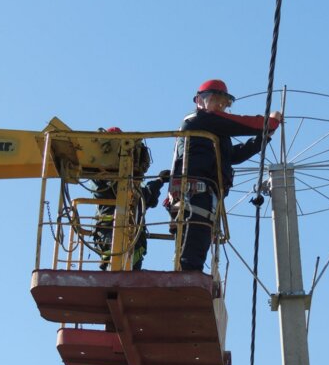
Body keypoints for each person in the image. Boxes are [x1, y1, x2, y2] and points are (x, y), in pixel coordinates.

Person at [169, 79, 282, 271]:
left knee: (199, 235)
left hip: (204, 193)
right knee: (196, 234)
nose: (220, 106)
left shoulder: (214, 132)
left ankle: (187, 273)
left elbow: (233, 156)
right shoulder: (198, 120)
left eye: (224, 103)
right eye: (215, 100)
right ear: (200, 100)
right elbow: (243, 123)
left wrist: (263, 138)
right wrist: (270, 123)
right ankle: (188, 276)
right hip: (196, 190)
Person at [91, 127, 170, 270]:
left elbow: (144, 196)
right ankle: (111, 264)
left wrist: (159, 181)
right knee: (117, 264)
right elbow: (129, 194)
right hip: (110, 236)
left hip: (133, 242)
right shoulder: (101, 178)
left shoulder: (131, 186)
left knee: (128, 269)